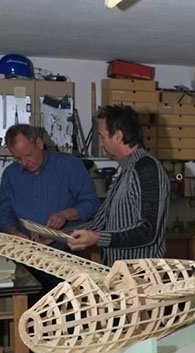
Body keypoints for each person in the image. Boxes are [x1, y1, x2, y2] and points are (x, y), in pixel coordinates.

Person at [67, 105, 170, 263]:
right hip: (118, 272)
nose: (101, 144)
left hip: (139, 274)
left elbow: (148, 231)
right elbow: (100, 223)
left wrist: (97, 238)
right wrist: (56, 235)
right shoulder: (125, 171)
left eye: (102, 137)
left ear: (118, 136)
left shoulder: (147, 169)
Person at [0, 124, 99, 239]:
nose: (24, 163)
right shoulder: (10, 174)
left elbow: (91, 204)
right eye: (18, 159)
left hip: (67, 244)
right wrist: (14, 233)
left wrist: (64, 215)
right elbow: (5, 214)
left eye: (28, 155)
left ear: (39, 143)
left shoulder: (69, 165)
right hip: (26, 245)